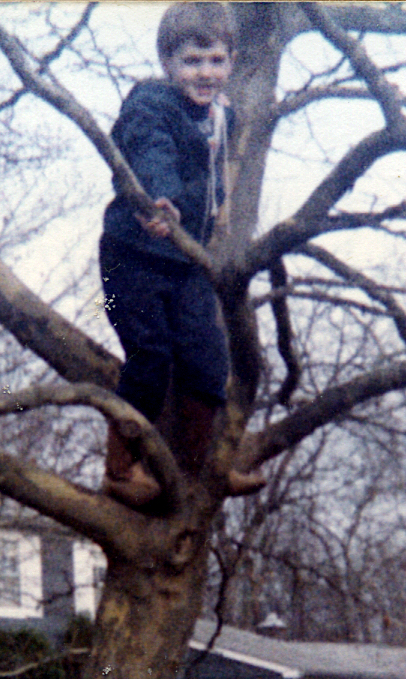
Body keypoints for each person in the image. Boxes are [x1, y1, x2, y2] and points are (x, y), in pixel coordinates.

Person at [99, 2, 264, 507]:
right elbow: (151, 151)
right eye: (192, 61)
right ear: (169, 63)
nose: (205, 73)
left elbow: (213, 176)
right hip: (134, 255)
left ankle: (197, 472)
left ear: (231, 62)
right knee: (150, 359)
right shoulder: (150, 105)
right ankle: (119, 471)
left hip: (187, 259)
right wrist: (160, 197)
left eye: (216, 61)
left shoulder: (222, 115)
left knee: (208, 361)